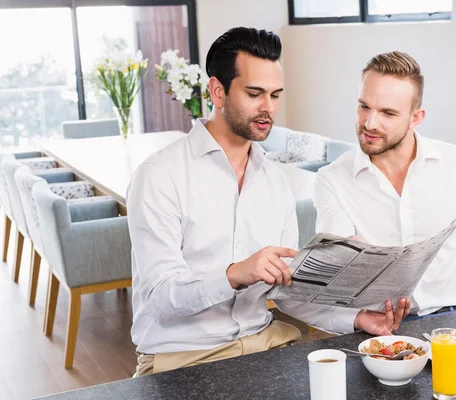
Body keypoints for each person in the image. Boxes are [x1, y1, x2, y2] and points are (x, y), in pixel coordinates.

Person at [127, 28, 410, 377]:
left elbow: (285, 291)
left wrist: (354, 318)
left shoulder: (274, 180)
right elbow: (159, 300)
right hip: (183, 359)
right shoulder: (159, 175)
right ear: (218, 91)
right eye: (254, 93)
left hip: (264, 344)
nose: (269, 108)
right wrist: (234, 274)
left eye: (275, 95)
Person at [314, 51, 456, 321]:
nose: (369, 123)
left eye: (388, 113)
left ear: (416, 118)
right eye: (364, 106)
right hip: (379, 325)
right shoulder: (331, 179)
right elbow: (335, 262)